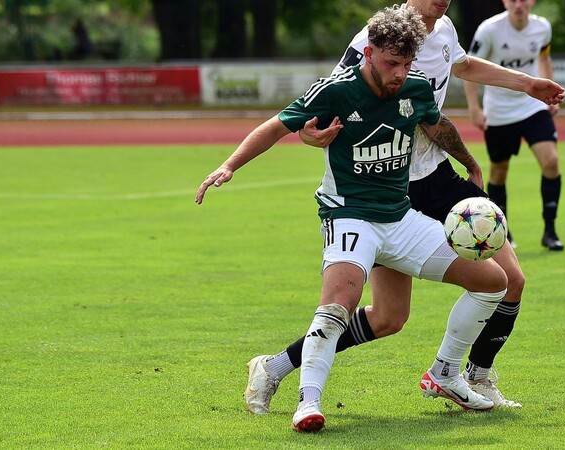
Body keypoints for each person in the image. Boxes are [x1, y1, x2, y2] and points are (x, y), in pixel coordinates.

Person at [243, 0, 565, 415]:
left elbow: (463, 66)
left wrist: (527, 83)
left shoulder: (444, 27)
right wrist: (309, 134)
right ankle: (276, 366)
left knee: (510, 280)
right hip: (389, 188)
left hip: (437, 176)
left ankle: (468, 375)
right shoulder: (374, 38)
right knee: (388, 318)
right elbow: (335, 94)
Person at [197, 6, 508, 432]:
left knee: (484, 284)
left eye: (407, 63)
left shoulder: (414, 88)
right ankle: (307, 404)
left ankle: (445, 373)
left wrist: (470, 164)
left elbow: (438, 127)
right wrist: (229, 165)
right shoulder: (335, 90)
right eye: (391, 63)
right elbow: (277, 125)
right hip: (349, 216)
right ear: (368, 53)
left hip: (400, 218)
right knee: (336, 307)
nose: (400, 72)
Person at [464, 0, 564, 251]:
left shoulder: (542, 28)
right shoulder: (489, 30)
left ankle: (550, 231)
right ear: (505, 2)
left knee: (551, 161)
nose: (519, 4)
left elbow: (544, 57)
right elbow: (467, 67)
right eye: (513, 0)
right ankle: (504, 233)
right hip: (499, 111)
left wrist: (549, 91)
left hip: (533, 106)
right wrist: (474, 108)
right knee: (499, 171)